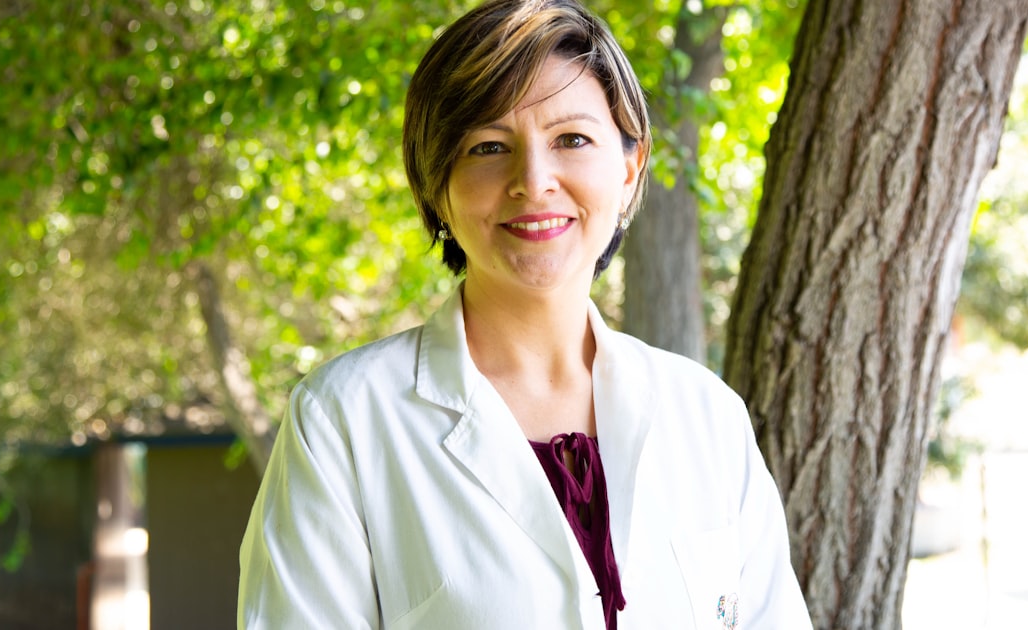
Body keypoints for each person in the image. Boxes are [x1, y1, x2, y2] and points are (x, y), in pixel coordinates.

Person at [237, 0, 811, 628]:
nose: (533, 180)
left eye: (572, 138)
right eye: (488, 146)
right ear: (437, 188)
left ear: (629, 168)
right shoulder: (343, 422)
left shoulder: (707, 415)